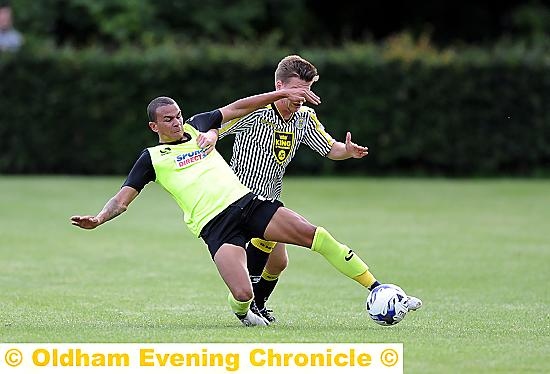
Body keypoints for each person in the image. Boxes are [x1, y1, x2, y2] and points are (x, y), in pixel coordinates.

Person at [71, 89, 422, 326]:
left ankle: (378, 287)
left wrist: (282, 93)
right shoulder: (151, 159)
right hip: (215, 227)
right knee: (241, 293)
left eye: (178, 116)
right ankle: (244, 312)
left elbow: (241, 106)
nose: (177, 122)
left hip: (247, 203)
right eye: (168, 120)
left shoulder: (200, 126)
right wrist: (100, 218)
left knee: (315, 235)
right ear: (154, 126)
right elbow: (122, 198)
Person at [210, 55, 370, 322]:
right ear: (278, 85)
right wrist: (208, 142)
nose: (301, 98)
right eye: (296, 91)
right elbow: (216, 127)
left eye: (306, 92)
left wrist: (347, 151)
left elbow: (330, 148)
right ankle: (247, 305)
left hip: (270, 200)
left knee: (279, 263)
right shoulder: (256, 112)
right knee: (265, 247)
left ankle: (256, 304)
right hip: (239, 201)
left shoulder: (305, 117)